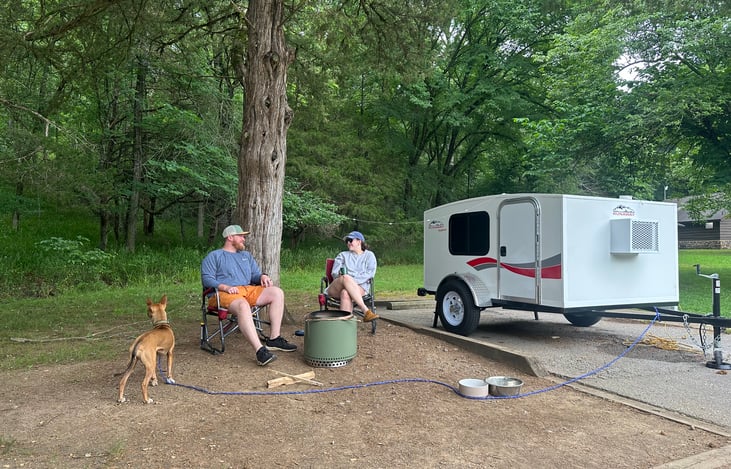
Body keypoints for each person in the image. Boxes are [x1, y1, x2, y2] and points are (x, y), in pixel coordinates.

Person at [201, 225, 296, 366]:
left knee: (277, 292)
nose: (243, 239)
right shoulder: (214, 256)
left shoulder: (246, 256)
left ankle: (274, 339)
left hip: (247, 290)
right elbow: (207, 279)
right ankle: (260, 351)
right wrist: (225, 287)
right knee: (243, 305)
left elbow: (254, 275)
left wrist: (262, 276)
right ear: (230, 237)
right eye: (241, 236)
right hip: (222, 293)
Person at [325, 230, 379, 322]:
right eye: (347, 241)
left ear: (359, 241)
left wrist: (351, 282)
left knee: (345, 293)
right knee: (346, 277)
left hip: (360, 288)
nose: (348, 243)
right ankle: (365, 310)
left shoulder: (369, 256)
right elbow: (334, 273)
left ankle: (344, 327)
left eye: (350, 240)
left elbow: (369, 274)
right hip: (337, 287)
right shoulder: (342, 255)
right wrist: (347, 279)